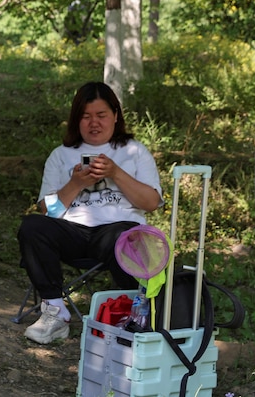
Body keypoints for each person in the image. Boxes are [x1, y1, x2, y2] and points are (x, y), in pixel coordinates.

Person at [16, 81, 163, 344]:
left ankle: (135, 316)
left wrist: (116, 172)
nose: (93, 123)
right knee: (32, 226)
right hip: (71, 232)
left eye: (101, 115)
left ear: (116, 116)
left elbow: (151, 203)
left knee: (128, 234)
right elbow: (49, 211)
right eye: (85, 116)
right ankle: (54, 312)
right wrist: (76, 184)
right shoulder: (61, 156)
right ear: (76, 120)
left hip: (116, 233)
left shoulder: (134, 152)